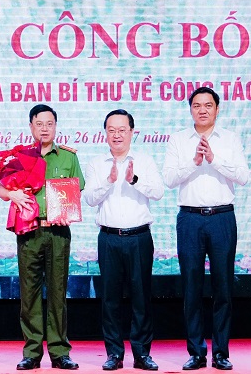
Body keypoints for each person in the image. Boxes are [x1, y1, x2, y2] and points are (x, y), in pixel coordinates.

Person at [162, 87, 249, 371]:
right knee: (192, 287)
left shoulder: (230, 139)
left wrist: (214, 160)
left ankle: (221, 352)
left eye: (208, 105)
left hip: (222, 218)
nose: (202, 110)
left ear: (217, 109)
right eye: (197, 105)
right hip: (190, 219)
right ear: (190, 109)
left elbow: (243, 176)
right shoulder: (178, 140)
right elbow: (169, 179)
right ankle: (196, 352)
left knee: (223, 287)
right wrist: (194, 163)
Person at [0, 104, 84, 370]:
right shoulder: (20, 156)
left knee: (58, 293)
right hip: (29, 231)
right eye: (39, 124)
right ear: (31, 127)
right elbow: (2, 190)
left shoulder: (68, 157)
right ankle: (32, 352)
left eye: (49, 124)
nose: (44, 129)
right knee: (29, 292)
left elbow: (77, 189)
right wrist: (12, 194)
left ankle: (59, 352)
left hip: (58, 232)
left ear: (55, 126)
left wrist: (67, 207)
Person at [83, 109, 164, 371]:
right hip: (109, 238)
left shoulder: (145, 161)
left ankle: (142, 354)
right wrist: (109, 180)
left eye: (122, 130)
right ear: (105, 133)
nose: (117, 135)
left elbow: (158, 192)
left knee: (141, 298)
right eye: (111, 130)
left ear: (132, 132)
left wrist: (134, 180)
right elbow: (90, 199)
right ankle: (114, 354)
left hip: (139, 237)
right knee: (110, 299)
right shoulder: (97, 163)